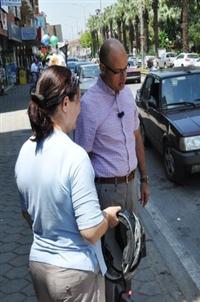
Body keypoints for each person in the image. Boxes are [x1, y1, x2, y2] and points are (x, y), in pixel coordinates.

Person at [15, 65, 121, 301]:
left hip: (40, 267)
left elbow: (27, 214)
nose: (80, 108)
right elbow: (91, 231)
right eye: (78, 100)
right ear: (65, 103)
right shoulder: (75, 156)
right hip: (75, 274)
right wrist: (108, 216)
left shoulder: (24, 150)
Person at [75, 38, 150, 300]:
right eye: (118, 71)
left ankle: (127, 291)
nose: (124, 76)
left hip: (130, 185)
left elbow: (137, 137)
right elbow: (82, 156)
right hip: (106, 189)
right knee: (110, 252)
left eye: (127, 68)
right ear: (102, 68)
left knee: (132, 246)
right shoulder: (89, 104)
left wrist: (144, 178)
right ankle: (112, 295)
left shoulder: (127, 96)